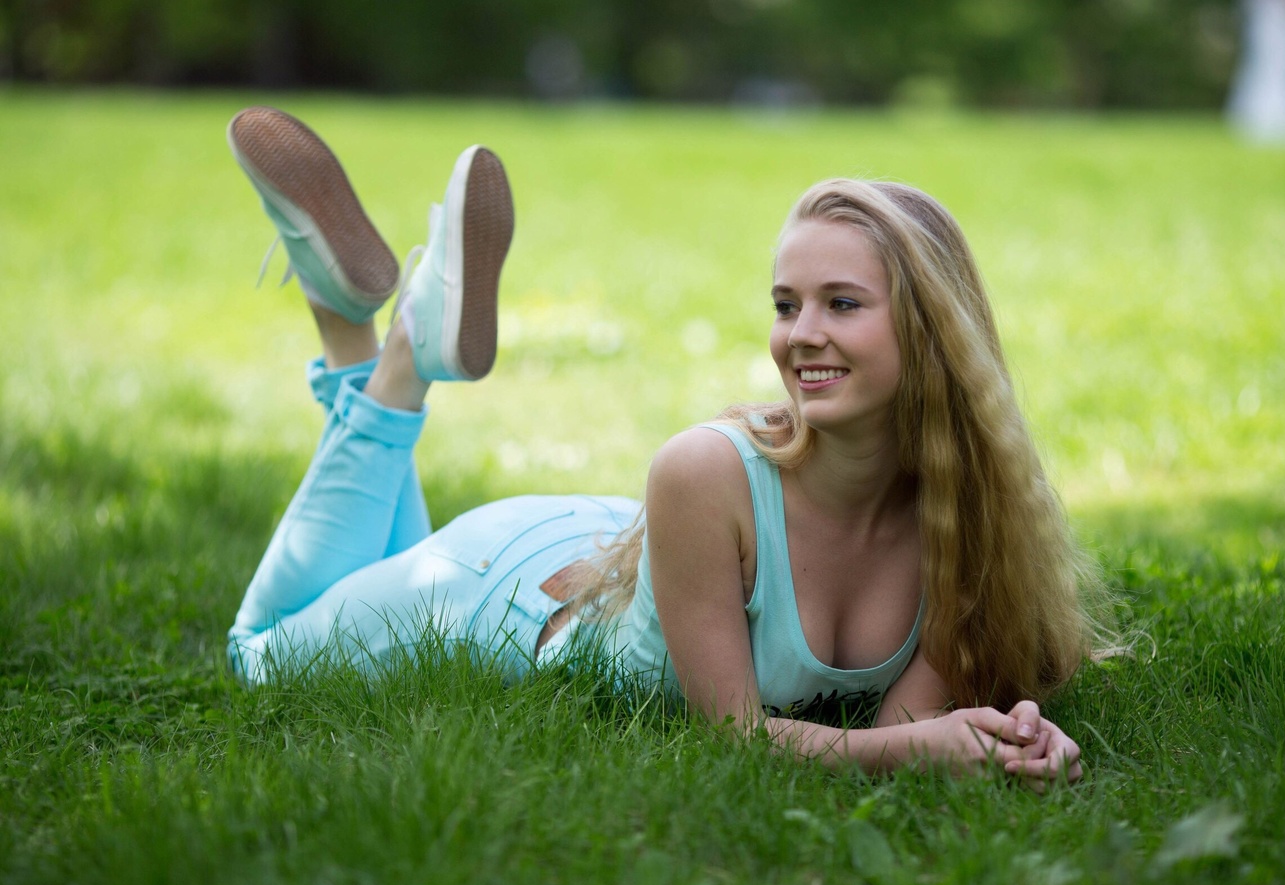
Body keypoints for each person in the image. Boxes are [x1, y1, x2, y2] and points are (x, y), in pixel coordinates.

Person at [225, 106, 1112, 791]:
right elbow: (731, 736)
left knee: (358, 568)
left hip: (627, 557)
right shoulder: (703, 469)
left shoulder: (961, 513)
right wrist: (921, 747)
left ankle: (349, 319)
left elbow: (894, 734)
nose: (800, 334)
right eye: (785, 303)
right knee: (257, 654)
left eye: (841, 304)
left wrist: (1007, 741)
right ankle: (399, 363)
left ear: (931, 331)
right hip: (495, 590)